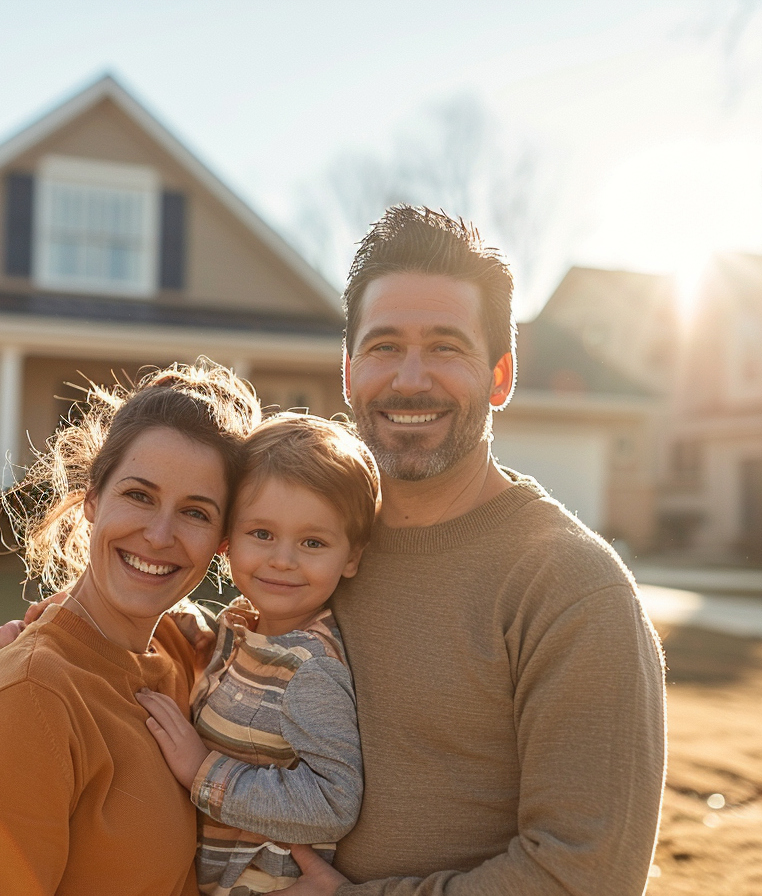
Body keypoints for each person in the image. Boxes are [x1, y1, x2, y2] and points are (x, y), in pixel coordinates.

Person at [279, 206, 668, 895]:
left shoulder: (572, 589)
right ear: (348, 372)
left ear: (500, 376)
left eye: (446, 347)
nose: (410, 380)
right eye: (384, 346)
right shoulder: (312, 551)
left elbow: (584, 875)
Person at [0, 361, 261, 896]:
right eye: (139, 495)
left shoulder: (184, 651)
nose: (158, 535)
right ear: (93, 497)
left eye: (195, 513)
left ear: (223, 543)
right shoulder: (33, 697)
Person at [137, 412, 378, 894]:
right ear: (228, 540)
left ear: (351, 556)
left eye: (312, 542)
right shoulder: (244, 626)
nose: (282, 560)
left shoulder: (309, 670)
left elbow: (334, 803)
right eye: (262, 534)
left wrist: (203, 771)